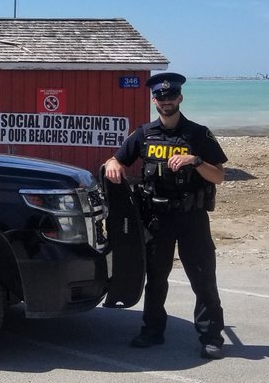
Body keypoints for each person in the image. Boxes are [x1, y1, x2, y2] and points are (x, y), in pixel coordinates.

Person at [103, 72, 228, 360]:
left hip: (191, 218)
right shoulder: (144, 134)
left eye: (171, 96)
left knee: (202, 278)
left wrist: (195, 161)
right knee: (156, 278)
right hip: (156, 218)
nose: (166, 101)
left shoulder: (198, 134)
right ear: (154, 100)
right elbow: (117, 158)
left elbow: (219, 176)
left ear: (180, 98)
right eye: (160, 97)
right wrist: (112, 164)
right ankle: (152, 331)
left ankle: (211, 336)